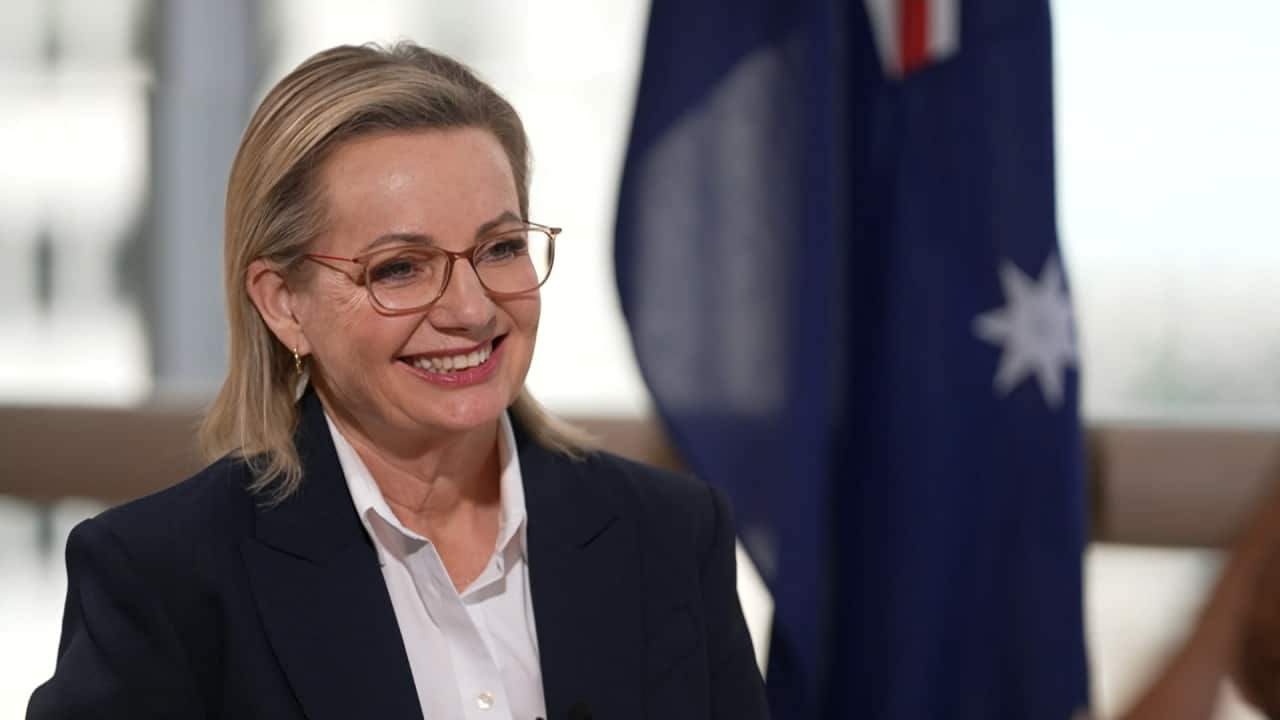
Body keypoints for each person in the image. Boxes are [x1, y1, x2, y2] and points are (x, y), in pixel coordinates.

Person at [27, 42, 767, 720]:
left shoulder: (670, 534)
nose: (472, 309)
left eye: (500, 247)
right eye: (400, 268)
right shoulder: (165, 577)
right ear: (284, 303)